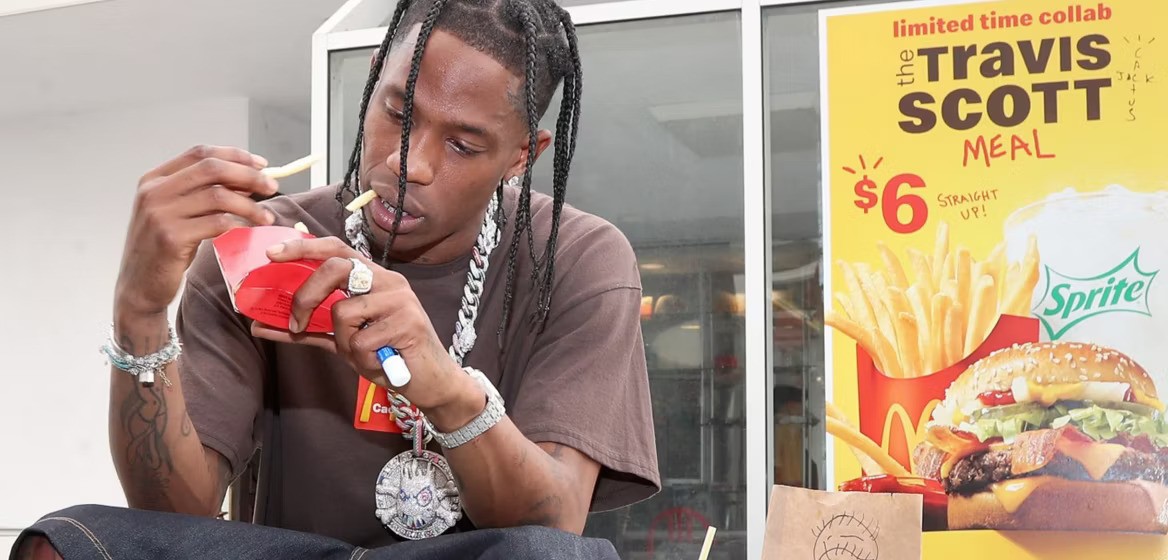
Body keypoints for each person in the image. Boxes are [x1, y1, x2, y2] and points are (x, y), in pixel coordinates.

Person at [10, 0, 659, 558]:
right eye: (398, 115)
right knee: (71, 538)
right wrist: (140, 311)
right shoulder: (261, 248)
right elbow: (173, 515)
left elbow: (553, 527)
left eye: (462, 144)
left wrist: (446, 392)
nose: (410, 165)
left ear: (523, 154)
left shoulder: (578, 258)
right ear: (373, 80)